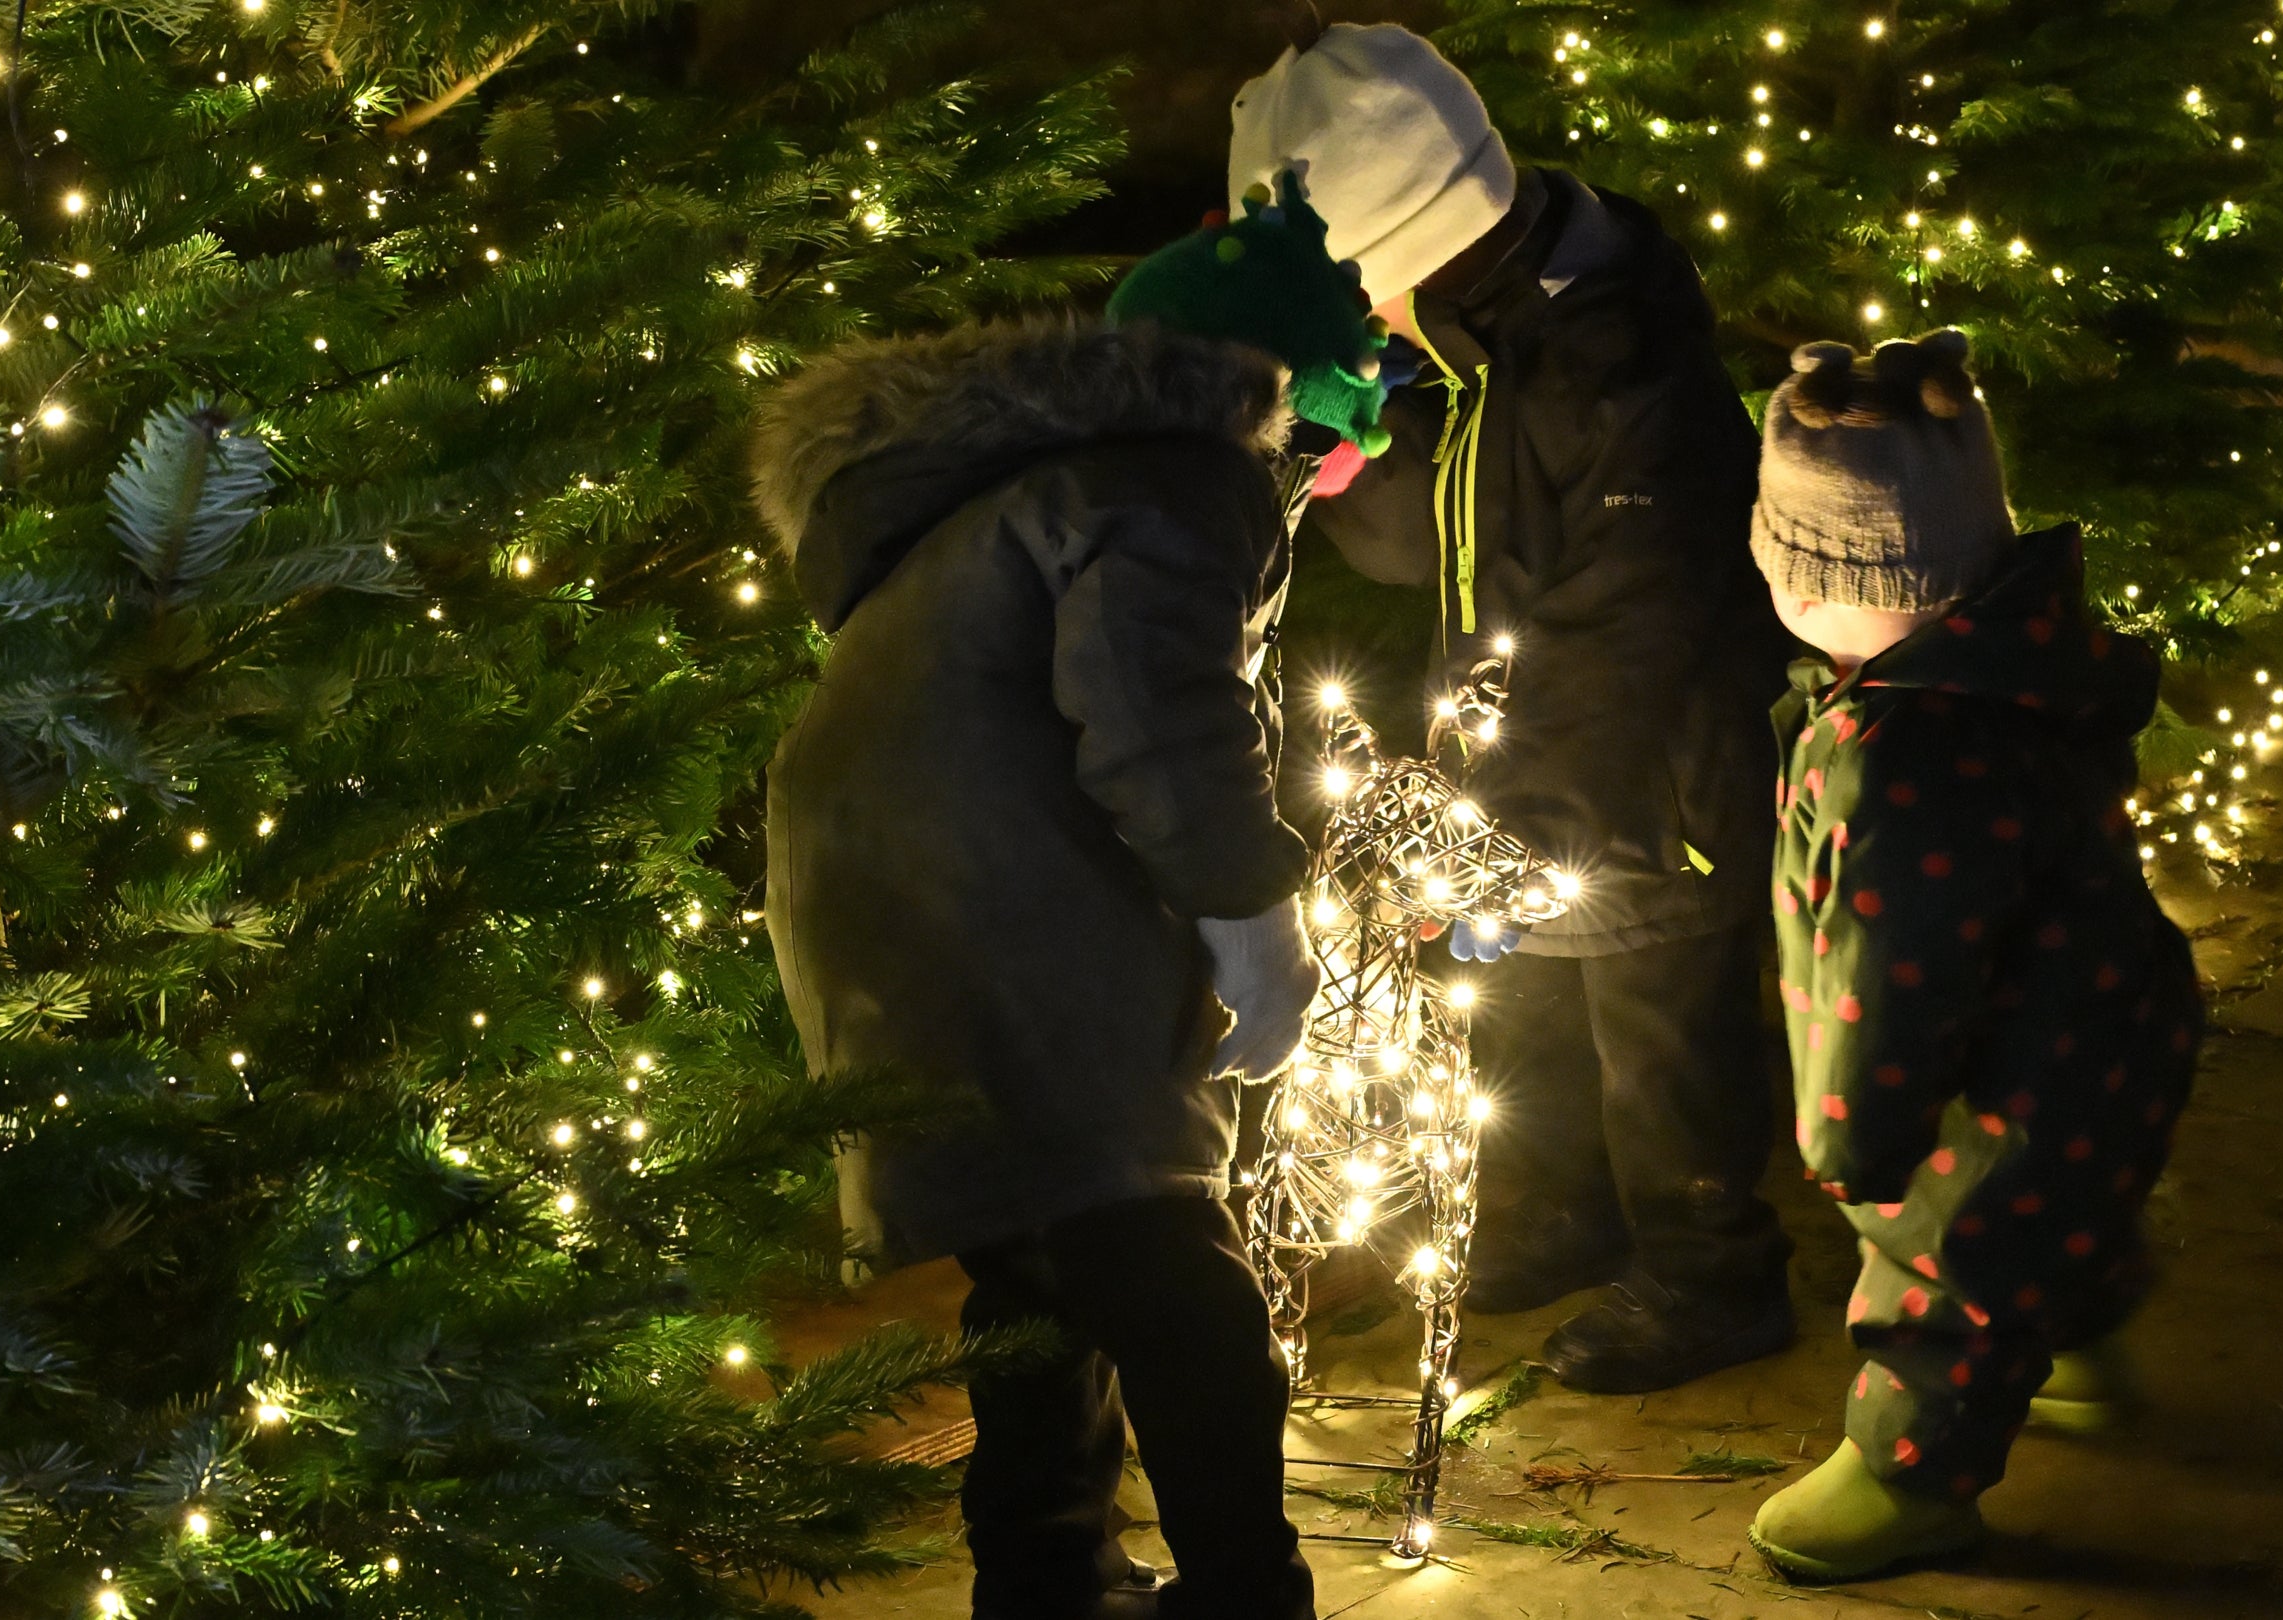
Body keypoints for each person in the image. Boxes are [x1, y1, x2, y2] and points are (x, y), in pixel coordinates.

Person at [752, 182, 1391, 1620]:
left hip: (881, 896)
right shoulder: (1177, 478)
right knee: (1168, 1263)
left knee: (1040, 1262)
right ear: (1276, 386)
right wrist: (1252, 920)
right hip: (1004, 896)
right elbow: (1159, 709)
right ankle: (1245, 1589)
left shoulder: (1030, 487)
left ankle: (1047, 1580)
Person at [1227, 23, 1794, 1393]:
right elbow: (1451, 544)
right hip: (1530, 779)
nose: (1367, 333)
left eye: (1363, 302)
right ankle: (1562, 1212)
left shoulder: (1617, 372)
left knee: (1661, 1041)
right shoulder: (1497, 350)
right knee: (1534, 1018)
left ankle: (1712, 1268)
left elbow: (1625, 622)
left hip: (1652, 796)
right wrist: (1367, 453)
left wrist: (1528, 811)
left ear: (1408, 252)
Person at [1738, 333, 2200, 1581]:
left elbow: (1894, 965)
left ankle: (1910, 1480)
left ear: (1822, 577)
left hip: (2002, 1074)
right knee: (2068, 1207)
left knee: (1953, 1260)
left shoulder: (1903, 753)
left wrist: (1854, 1135)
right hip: (2114, 1019)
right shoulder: (2021, 662)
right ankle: (2087, 1343)